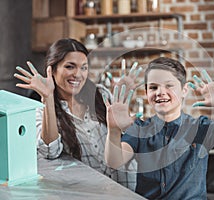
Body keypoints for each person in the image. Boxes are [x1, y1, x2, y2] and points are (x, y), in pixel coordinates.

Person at [104, 57, 214, 199]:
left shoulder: (200, 127)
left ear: (184, 90)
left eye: (169, 85)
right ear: (147, 92)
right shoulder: (139, 129)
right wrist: (114, 130)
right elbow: (114, 161)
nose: (160, 92)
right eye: (154, 87)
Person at [14, 38, 138, 190]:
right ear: (52, 70)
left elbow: (126, 136)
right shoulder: (40, 111)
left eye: (84, 68)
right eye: (70, 67)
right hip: (87, 192)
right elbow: (49, 151)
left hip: (124, 188)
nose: (78, 74)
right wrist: (48, 98)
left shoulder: (100, 95)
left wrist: (124, 100)